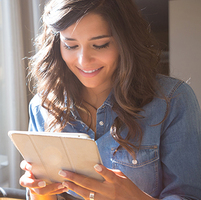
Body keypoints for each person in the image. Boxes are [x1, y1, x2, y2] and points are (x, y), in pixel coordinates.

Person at [20, 0, 201, 199]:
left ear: (125, 41)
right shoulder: (43, 105)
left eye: (99, 45)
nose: (83, 61)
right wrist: (39, 191)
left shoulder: (173, 100)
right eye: (70, 45)